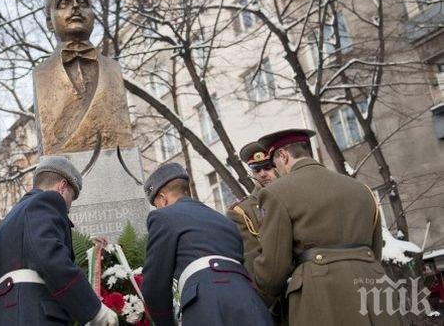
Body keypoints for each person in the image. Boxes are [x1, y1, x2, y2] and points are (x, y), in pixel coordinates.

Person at [253, 129, 402, 326]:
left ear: (283, 155)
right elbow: (375, 250)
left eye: (274, 164)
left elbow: (273, 271)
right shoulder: (362, 190)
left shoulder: (275, 193)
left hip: (322, 294)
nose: (276, 170)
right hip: (374, 290)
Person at [0, 156, 118, 325]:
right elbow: (49, 259)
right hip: (35, 314)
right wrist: (96, 311)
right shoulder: (47, 200)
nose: (69, 207)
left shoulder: (10, 219)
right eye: (72, 197)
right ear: (62, 186)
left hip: (5, 315)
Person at [141, 163, 272, 326]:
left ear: (163, 198)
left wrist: (165, 321)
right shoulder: (225, 221)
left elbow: (154, 285)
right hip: (250, 303)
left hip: (207, 305)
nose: (158, 208)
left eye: (157, 204)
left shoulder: (163, 217)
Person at [33, 0, 134, 155]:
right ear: (49, 22)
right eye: (64, 3)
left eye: (82, 1)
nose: (76, 7)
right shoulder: (42, 75)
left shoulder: (113, 69)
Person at [227, 142, 285, 323]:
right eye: (257, 169)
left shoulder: (295, 195)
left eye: (267, 167)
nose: (262, 174)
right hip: (276, 298)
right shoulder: (242, 211)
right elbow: (252, 260)